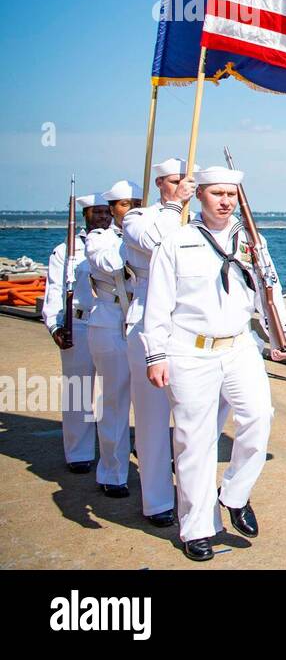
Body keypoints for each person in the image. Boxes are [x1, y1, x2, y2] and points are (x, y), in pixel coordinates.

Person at [141, 166, 286, 562]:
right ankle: (196, 528)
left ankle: (235, 493)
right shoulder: (176, 242)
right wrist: (155, 355)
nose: (225, 201)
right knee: (195, 441)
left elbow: (268, 288)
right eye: (216, 194)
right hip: (190, 349)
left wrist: (282, 332)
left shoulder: (252, 241)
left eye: (231, 194)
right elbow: (157, 305)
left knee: (259, 417)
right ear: (200, 196)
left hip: (240, 345)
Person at [111, 157, 197, 527]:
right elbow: (158, 242)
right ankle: (157, 500)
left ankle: (193, 493)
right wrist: (176, 205)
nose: (184, 186)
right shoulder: (139, 218)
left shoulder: (196, 220)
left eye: (187, 181)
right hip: (147, 320)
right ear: (161, 183)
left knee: (196, 417)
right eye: (176, 181)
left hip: (189, 322)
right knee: (152, 420)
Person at [40, 193, 110, 474]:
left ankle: (113, 451)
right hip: (78, 325)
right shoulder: (65, 250)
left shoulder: (119, 244)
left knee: (116, 393)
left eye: (107, 212)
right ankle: (79, 453)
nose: (103, 218)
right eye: (97, 213)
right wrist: (55, 326)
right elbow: (55, 292)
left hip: (110, 323)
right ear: (85, 215)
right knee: (78, 391)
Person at [83, 180, 143, 497]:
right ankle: (113, 472)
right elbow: (111, 264)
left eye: (136, 203)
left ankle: (154, 471)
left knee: (153, 404)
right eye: (124, 204)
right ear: (111, 209)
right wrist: (137, 241)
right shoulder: (99, 239)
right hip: (111, 320)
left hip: (144, 321)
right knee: (115, 402)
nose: (131, 209)